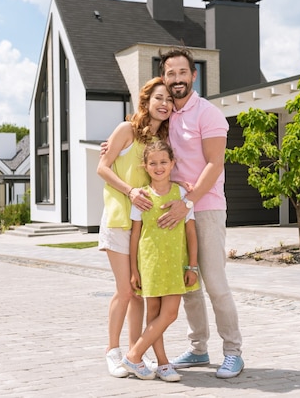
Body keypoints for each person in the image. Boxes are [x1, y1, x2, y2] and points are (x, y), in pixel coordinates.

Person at [158, 47, 244, 379]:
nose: (177, 79)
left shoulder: (208, 114)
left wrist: (188, 202)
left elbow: (214, 164)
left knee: (215, 283)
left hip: (204, 208)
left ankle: (234, 352)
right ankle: (198, 348)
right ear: (164, 77)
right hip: (175, 210)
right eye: (170, 73)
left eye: (182, 73)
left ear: (194, 76)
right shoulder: (166, 115)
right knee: (188, 283)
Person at [97, 77, 173, 378]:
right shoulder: (125, 129)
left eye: (169, 99)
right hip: (118, 220)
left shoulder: (160, 141)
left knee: (139, 291)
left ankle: (133, 354)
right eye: (159, 98)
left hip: (145, 227)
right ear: (146, 101)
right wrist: (130, 191)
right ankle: (112, 351)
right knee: (125, 291)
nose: (164, 103)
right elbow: (102, 167)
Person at [121, 140, 199, 381]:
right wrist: (134, 270)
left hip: (176, 264)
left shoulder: (183, 195)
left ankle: (134, 355)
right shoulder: (142, 196)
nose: (158, 167)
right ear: (145, 166)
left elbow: (191, 233)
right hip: (150, 263)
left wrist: (192, 265)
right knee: (154, 314)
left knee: (170, 313)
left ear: (172, 163)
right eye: (152, 163)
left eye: (163, 162)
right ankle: (163, 364)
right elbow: (135, 235)